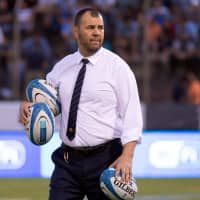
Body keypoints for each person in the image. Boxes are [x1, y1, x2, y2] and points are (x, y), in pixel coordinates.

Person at [19, 7, 143, 200]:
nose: (96, 32)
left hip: (107, 159)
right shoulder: (62, 67)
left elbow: (132, 116)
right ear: (76, 32)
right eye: (90, 27)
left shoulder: (118, 68)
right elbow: (44, 100)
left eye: (100, 28)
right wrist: (27, 106)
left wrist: (127, 157)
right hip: (68, 159)